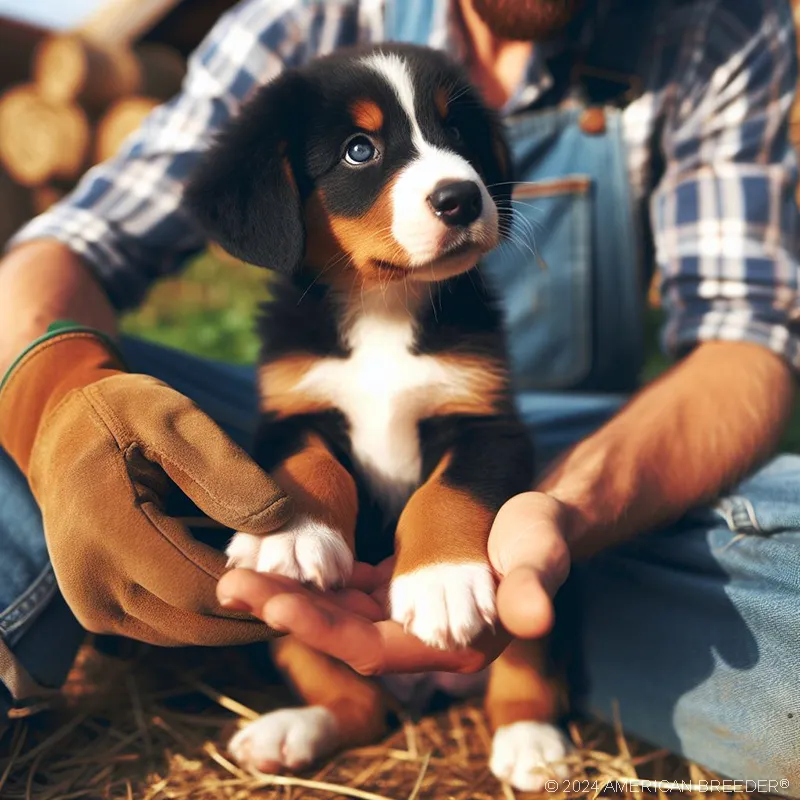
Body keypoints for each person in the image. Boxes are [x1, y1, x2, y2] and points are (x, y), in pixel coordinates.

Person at [1, 0, 798, 784]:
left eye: (455, 136)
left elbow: (749, 339)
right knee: (35, 379)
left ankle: (528, 688)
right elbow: (78, 243)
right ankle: (331, 693)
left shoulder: (719, 24)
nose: (448, 177)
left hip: (591, 458)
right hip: (280, 453)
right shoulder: (304, 19)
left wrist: (563, 512)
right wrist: (58, 396)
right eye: (360, 150)